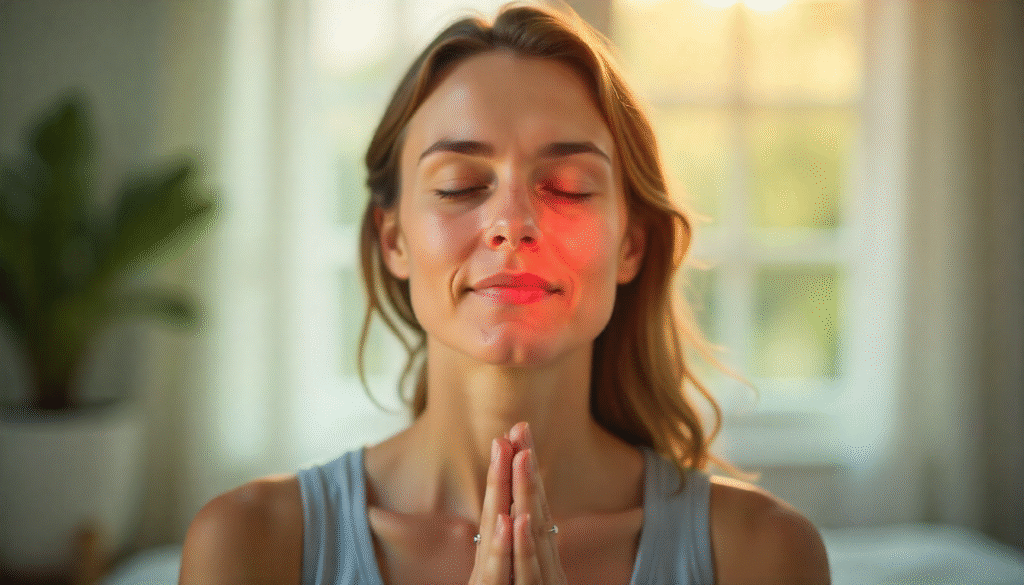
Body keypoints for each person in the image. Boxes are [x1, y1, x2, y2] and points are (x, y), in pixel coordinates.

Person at [179, 2, 831, 584]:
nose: (514, 221)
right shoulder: (249, 548)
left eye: (571, 186)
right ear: (393, 239)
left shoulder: (763, 555)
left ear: (630, 243)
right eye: (461, 184)